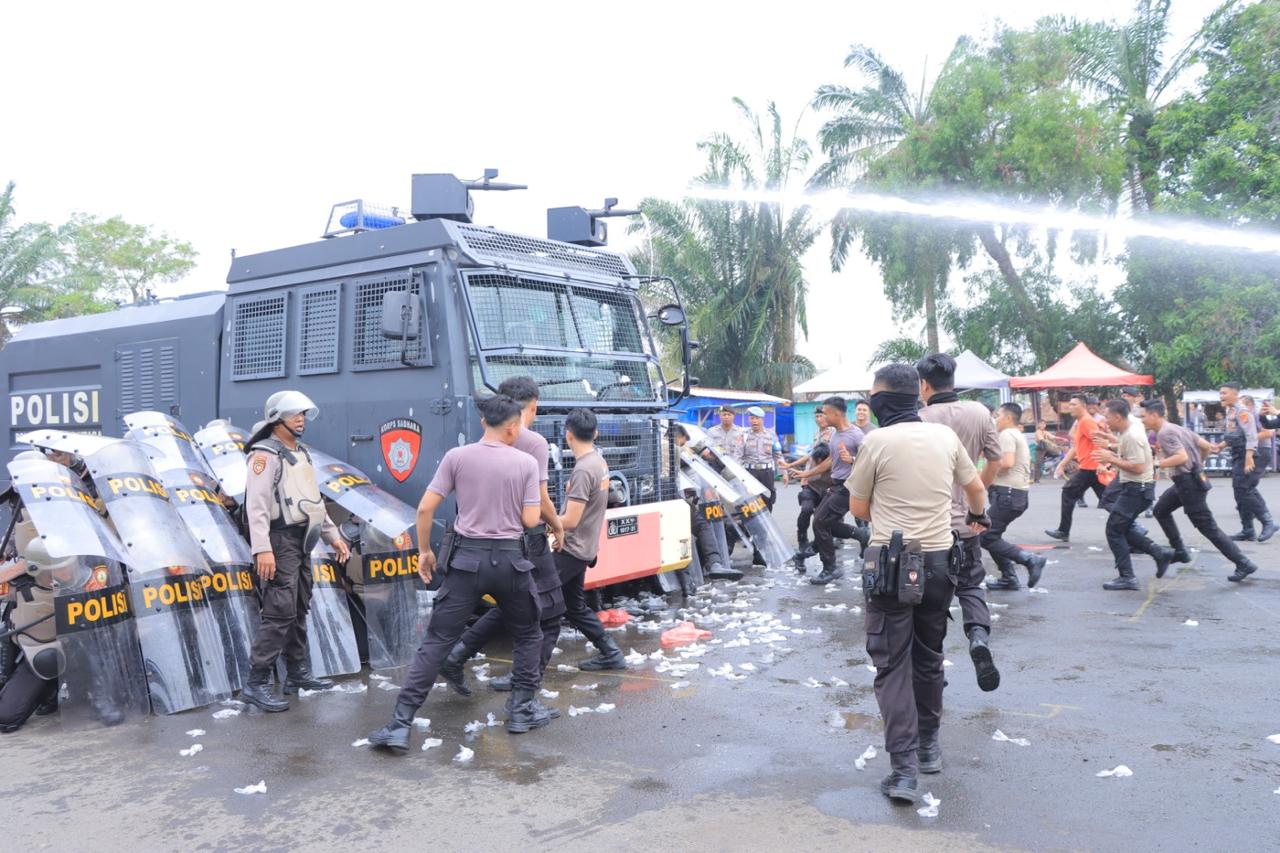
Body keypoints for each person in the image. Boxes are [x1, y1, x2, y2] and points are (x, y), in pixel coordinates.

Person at [368, 395, 549, 751]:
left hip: (466, 563)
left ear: (484, 423)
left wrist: (424, 552)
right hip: (512, 563)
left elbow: (425, 508)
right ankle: (521, 711)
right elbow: (530, 520)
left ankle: (400, 724)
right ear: (513, 427)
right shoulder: (526, 463)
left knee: (437, 641)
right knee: (529, 633)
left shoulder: (457, 457)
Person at [846, 362, 990, 805]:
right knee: (929, 658)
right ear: (918, 395)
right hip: (939, 563)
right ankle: (929, 748)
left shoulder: (877, 441)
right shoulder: (944, 438)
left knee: (892, 665)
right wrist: (976, 517)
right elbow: (976, 492)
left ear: (885, 400)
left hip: (891, 567)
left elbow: (860, 507)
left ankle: (904, 771)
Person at [440, 377, 571, 700]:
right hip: (527, 539)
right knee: (550, 613)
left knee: (519, 604)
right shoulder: (535, 442)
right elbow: (541, 499)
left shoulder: (487, 438)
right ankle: (525, 692)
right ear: (533, 405)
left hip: (485, 542)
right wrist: (558, 525)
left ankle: (458, 655)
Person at [241, 391, 350, 713]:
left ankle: (297, 673)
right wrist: (262, 549)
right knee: (279, 612)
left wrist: (333, 535)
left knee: (299, 605)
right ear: (277, 418)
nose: (301, 419)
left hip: (302, 539)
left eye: (303, 413)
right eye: (295, 414)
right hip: (279, 540)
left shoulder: (300, 453)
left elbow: (312, 499)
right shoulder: (265, 455)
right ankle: (256, 682)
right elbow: (256, 506)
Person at [915, 353, 1001, 692]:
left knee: (928, 597)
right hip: (968, 521)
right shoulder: (980, 412)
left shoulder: (917, 419)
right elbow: (995, 460)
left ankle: (934, 670)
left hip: (929, 525)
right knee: (970, 584)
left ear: (923, 384)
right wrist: (975, 493)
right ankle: (978, 635)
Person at [1145, 400, 1260, 583]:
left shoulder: (1164, 433)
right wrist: (1200, 463)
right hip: (1190, 480)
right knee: (1160, 510)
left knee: (1208, 527)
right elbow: (1206, 445)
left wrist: (1156, 464)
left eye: (1144, 416)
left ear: (1155, 415)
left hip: (1188, 483)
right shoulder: (1177, 428)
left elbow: (1181, 457)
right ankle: (1180, 550)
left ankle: (1243, 562)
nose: (1142, 420)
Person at [542, 409, 621, 669]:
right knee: (575, 607)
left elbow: (572, 520)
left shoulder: (584, 469)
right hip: (584, 548)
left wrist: (540, 520)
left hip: (572, 549)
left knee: (531, 601)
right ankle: (611, 654)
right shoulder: (599, 462)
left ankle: (526, 672)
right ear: (595, 433)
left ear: (568, 435)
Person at [1091, 400, 1174, 590]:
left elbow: (1137, 467)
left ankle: (1127, 577)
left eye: (1108, 418)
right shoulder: (1127, 432)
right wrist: (1111, 447)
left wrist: (1111, 458)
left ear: (1118, 417)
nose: (1106, 423)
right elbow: (1127, 453)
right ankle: (1160, 553)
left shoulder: (1133, 435)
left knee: (1114, 530)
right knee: (1123, 528)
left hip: (1137, 489)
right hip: (1134, 488)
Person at [798, 396, 867, 585]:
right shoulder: (835, 434)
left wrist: (852, 460)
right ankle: (862, 535)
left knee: (820, 523)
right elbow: (829, 461)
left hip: (848, 486)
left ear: (837, 413)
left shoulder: (856, 435)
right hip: (835, 485)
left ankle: (830, 568)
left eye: (826, 413)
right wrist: (806, 474)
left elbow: (869, 462)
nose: (823, 417)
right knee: (823, 521)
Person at [982, 403, 1047, 591]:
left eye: (998, 415)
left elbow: (1007, 463)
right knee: (991, 535)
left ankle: (1029, 560)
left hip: (1008, 494)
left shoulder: (1007, 434)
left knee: (985, 535)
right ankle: (1009, 577)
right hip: (1013, 494)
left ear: (1008, 418)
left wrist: (985, 472)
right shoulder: (1015, 434)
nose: (995, 419)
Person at [1217, 383, 1277, 542]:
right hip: (1238, 453)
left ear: (1235, 395)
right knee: (1241, 491)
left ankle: (1267, 522)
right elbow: (1234, 434)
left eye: (1224, 393)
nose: (1221, 396)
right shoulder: (1231, 411)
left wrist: (1249, 457)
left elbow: (1251, 435)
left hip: (1247, 454)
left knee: (1244, 488)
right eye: (1220, 393)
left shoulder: (1243, 412)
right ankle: (1248, 530)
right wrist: (1220, 446)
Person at [1044, 393, 1108, 542]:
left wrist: (1101, 463)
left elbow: (1099, 442)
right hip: (1090, 468)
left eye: (1074, 404)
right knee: (1108, 500)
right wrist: (1062, 464)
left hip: (1091, 468)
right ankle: (1133, 527)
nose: (1070, 407)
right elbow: (1076, 447)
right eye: (1070, 404)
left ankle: (1063, 531)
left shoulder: (1087, 422)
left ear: (1083, 406)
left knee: (1068, 493)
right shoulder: (1081, 422)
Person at [781, 409, 835, 560]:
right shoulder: (817, 434)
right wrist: (788, 465)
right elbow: (811, 456)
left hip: (826, 482)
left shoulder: (834, 434)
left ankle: (825, 544)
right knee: (806, 509)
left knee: (825, 518)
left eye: (821, 416)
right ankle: (802, 539)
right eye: (816, 416)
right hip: (810, 481)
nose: (818, 419)